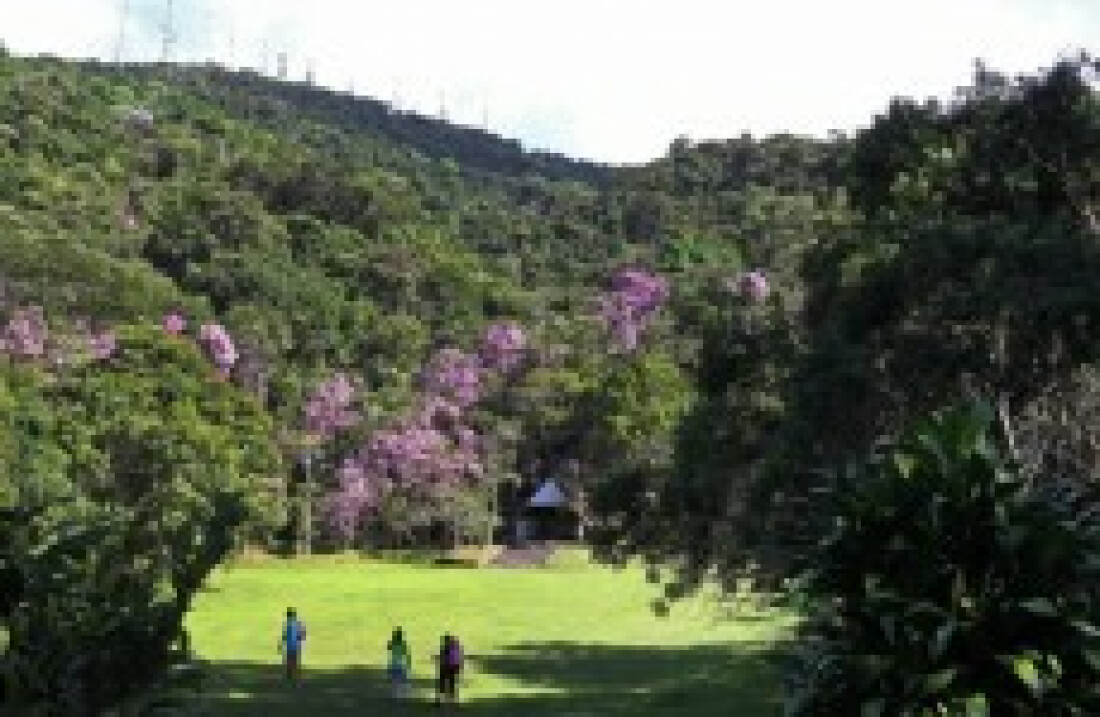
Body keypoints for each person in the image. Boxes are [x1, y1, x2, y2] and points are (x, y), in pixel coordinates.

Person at [279, 608, 307, 682]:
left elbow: (285, 636)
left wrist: (282, 644)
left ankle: (290, 676)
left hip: (290, 647)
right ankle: (294, 676)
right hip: (295, 647)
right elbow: (302, 634)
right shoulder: (297, 624)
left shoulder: (288, 625)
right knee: (294, 662)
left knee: (290, 662)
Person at [435, 634, 463, 705]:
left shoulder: (448, 649)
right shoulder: (451, 649)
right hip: (449, 668)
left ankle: (442, 700)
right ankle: (446, 700)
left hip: (448, 668)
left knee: (446, 685)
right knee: (447, 685)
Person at [387, 627, 412, 697]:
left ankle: (394, 693)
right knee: (400, 680)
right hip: (400, 665)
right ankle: (400, 693)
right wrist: (408, 664)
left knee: (394, 680)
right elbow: (407, 654)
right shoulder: (403, 644)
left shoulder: (393, 643)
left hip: (394, 664)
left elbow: (388, 648)